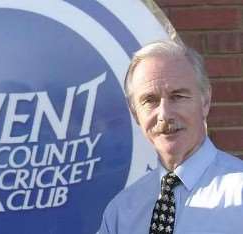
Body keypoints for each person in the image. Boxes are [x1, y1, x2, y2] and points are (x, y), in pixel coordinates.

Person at [98, 40, 243, 234]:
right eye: (149, 100)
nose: (164, 114)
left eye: (178, 96)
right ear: (135, 113)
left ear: (205, 101)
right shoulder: (121, 213)